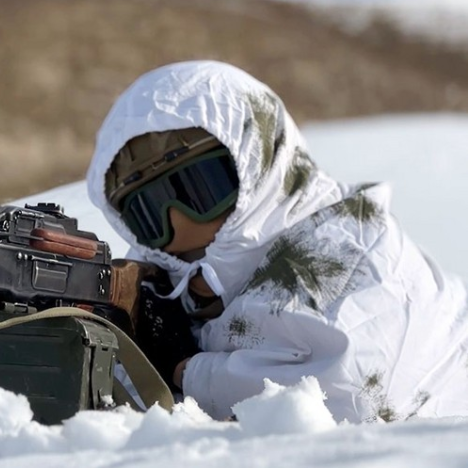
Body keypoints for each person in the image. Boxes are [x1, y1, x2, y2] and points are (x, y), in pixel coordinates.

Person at [86, 60, 468, 422]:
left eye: (198, 189)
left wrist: (184, 369)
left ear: (262, 164)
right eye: (148, 213)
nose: (177, 221)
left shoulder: (353, 259)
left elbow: (348, 400)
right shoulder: (168, 275)